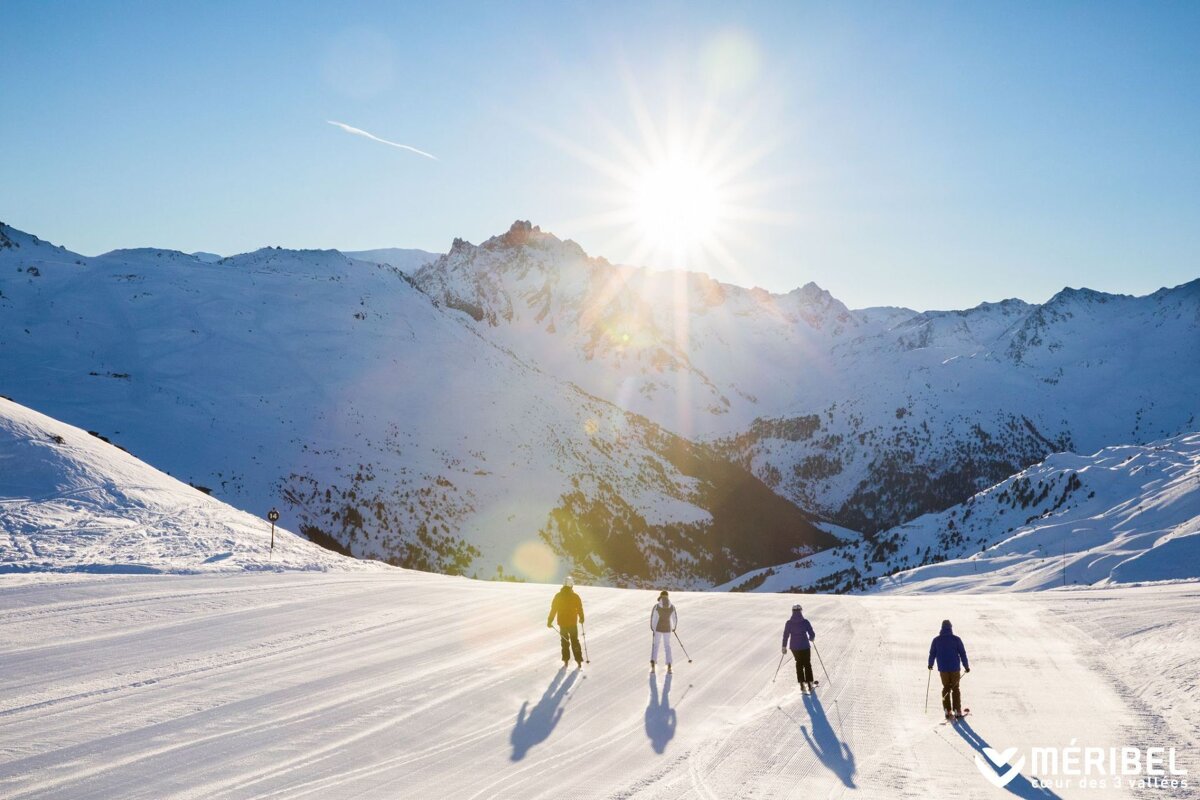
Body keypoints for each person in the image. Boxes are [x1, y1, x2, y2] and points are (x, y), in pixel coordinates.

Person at [928, 619, 970, 720]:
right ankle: (957, 710)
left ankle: (947, 710)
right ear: (951, 628)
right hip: (955, 668)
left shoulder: (936, 640)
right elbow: (962, 653)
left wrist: (930, 664)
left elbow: (932, 653)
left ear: (941, 628)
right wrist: (966, 666)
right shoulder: (956, 639)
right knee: (955, 689)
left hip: (943, 669)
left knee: (946, 687)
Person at [547, 575, 585, 668]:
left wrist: (550, 620)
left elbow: (553, 609)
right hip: (572, 623)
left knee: (564, 642)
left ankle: (566, 660)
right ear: (571, 585)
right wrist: (581, 617)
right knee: (575, 641)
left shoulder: (558, 596)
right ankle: (579, 660)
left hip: (562, 624)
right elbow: (579, 608)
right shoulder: (575, 596)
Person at [781, 603, 816, 689]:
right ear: (800, 611)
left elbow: (786, 635)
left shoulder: (789, 623)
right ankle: (809, 683)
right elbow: (811, 633)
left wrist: (784, 646)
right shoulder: (805, 622)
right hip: (805, 646)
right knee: (807, 663)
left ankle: (801, 684)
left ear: (792, 612)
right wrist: (811, 638)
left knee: (799, 663)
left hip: (794, 647)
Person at [650, 590, 677, 673]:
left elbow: (653, 618)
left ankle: (653, 663)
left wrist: (653, 628)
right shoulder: (672, 606)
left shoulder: (657, 606)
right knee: (667, 646)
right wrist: (673, 627)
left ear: (661, 596)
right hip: (667, 629)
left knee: (656, 645)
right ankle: (669, 664)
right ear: (667, 596)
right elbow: (674, 618)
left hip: (658, 628)